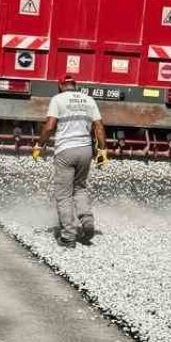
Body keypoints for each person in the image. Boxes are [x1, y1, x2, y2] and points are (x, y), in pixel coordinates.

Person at [32, 75, 108, 246]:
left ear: (60, 85)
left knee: (64, 194)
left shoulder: (57, 100)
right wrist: (102, 150)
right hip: (85, 151)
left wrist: (39, 145)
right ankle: (87, 221)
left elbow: (50, 126)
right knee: (79, 188)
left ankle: (68, 236)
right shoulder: (88, 100)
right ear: (76, 86)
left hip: (66, 151)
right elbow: (99, 126)